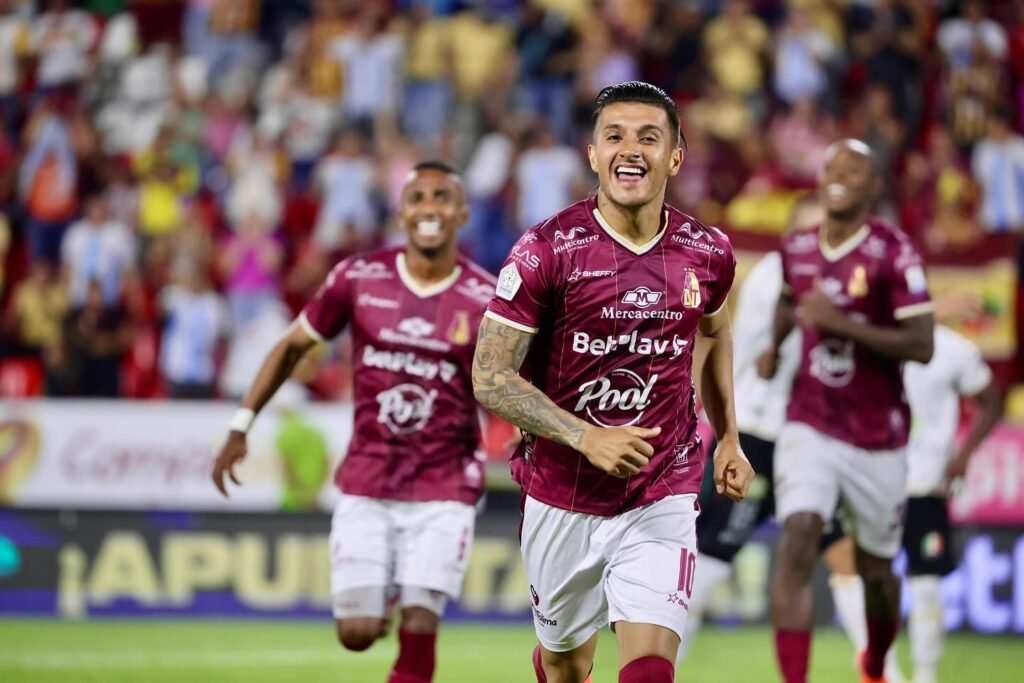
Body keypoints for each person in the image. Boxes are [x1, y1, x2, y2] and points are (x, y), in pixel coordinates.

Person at [472, 81, 754, 683]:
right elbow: (489, 377)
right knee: (565, 666)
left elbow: (714, 332)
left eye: (649, 138)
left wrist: (728, 437)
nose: (631, 149)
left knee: (650, 671)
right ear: (593, 154)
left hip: (662, 488)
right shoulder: (545, 250)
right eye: (615, 136)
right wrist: (585, 437)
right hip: (562, 493)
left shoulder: (707, 252)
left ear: (674, 157)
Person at [211, 162, 496, 683]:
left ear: (462, 214)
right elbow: (292, 346)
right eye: (417, 198)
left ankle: (411, 603)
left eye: (442, 197)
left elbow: (514, 384)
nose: (429, 208)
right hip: (369, 477)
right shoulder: (359, 278)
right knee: (357, 633)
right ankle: (381, 596)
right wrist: (240, 425)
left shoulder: (487, 298)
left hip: (446, 481)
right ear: (401, 213)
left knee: (420, 620)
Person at [676, 194, 905, 682]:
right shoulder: (780, 273)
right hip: (756, 434)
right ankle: (659, 662)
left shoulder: (826, 275)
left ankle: (882, 671)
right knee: (708, 560)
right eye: (813, 228)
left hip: (807, 439)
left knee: (845, 557)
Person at [759, 139, 935, 683]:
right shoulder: (796, 246)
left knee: (877, 572)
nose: (838, 176)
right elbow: (789, 299)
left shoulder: (894, 252)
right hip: (810, 420)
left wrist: (841, 325)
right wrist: (774, 346)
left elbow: (922, 344)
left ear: (875, 186)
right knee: (798, 535)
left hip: (878, 436)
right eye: (831, 166)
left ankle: (876, 661)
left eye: (853, 170)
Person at [827, 300, 1002, 683]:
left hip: (925, 486)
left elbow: (992, 400)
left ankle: (925, 674)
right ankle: (883, 670)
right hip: (872, 483)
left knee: (926, 585)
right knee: (863, 577)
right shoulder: (869, 343)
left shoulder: (952, 349)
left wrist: (963, 456)